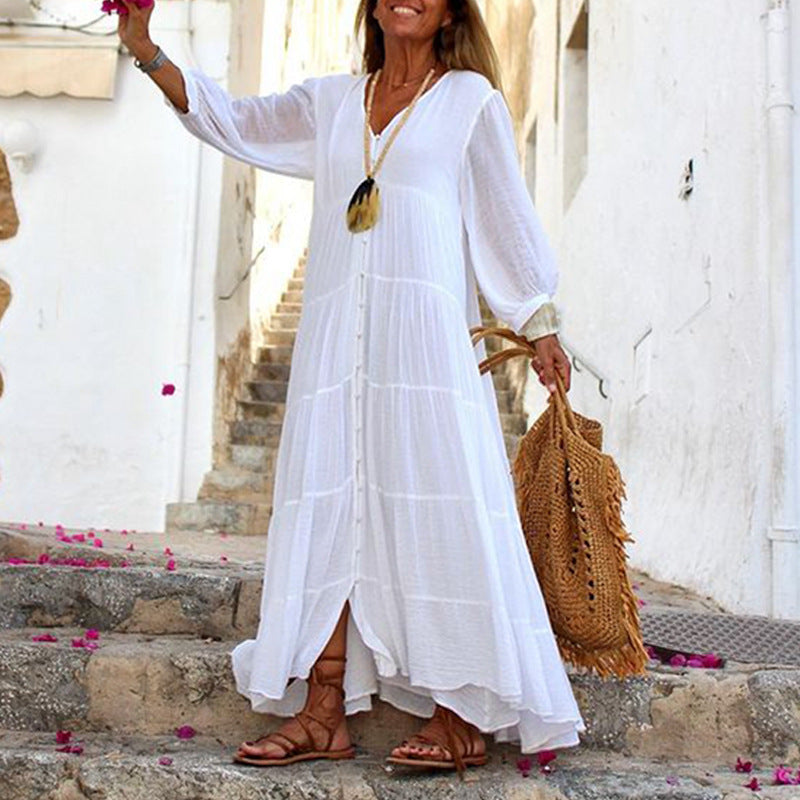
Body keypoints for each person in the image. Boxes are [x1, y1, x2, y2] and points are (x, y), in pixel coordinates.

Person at [118, 0, 586, 776]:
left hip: (426, 350)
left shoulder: (468, 101)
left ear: (450, 12)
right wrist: (146, 49)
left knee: (441, 501)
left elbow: (504, 217)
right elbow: (233, 120)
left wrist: (539, 325)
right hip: (337, 351)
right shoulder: (331, 103)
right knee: (331, 501)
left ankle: (459, 711)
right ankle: (322, 710)